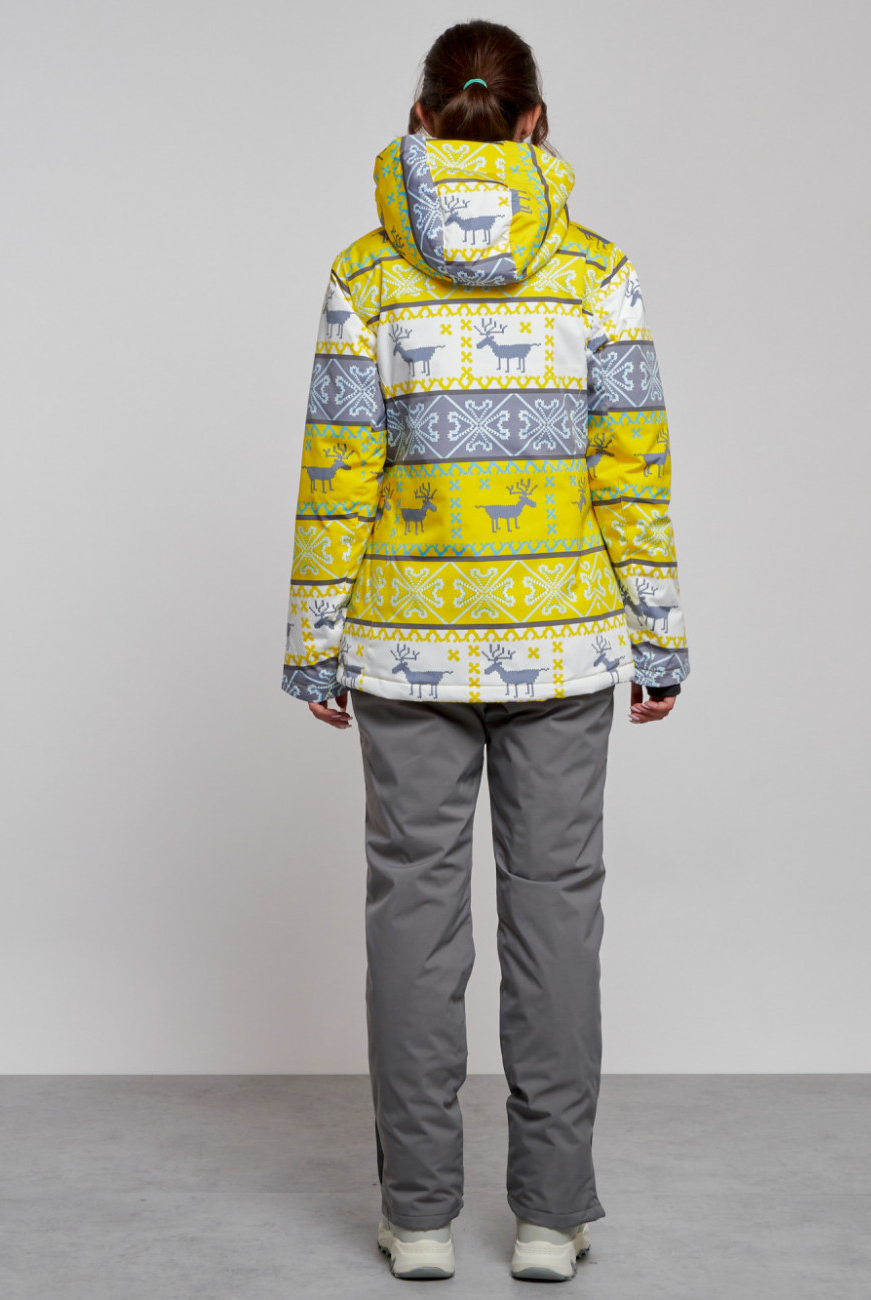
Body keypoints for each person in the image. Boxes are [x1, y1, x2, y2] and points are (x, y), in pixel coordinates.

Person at [280, 18, 690, 1282]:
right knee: (555, 915)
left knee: (412, 918)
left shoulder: (365, 275)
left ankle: (415, 1219)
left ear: (421, 118)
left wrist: (316, 642)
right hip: (560, 647)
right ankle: (551, 1219)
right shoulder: (598, 273)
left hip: (405, 648)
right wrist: (657, 634)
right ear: (533, 123)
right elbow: (632, 472)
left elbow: (338, 474)